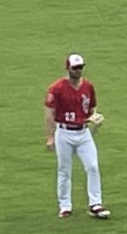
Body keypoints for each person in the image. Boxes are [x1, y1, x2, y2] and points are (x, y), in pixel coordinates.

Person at [45, 53, 108, 220]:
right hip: (64, 132)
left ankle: (95, 203)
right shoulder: (57, 88)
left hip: (83, 132)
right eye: (75, 68)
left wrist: (94, 118)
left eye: (80, 68)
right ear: (68, 68)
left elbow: (92, 107)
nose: (78, 71)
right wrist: (50, 137)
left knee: (93, 166)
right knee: (64, 170)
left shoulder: (88, 86)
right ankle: (65, 205)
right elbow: (50, 113)